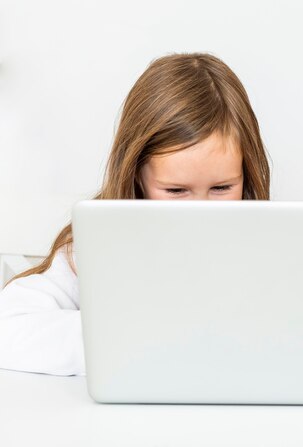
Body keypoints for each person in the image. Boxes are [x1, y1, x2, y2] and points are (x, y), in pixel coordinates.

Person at [0, 53, 271, 376]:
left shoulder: (268, 245)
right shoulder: (96, 245)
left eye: (222, 187)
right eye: (176, 191)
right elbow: (10, 327)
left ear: (246, 173)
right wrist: (136, 341)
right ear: (136, 174)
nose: (201, 210)